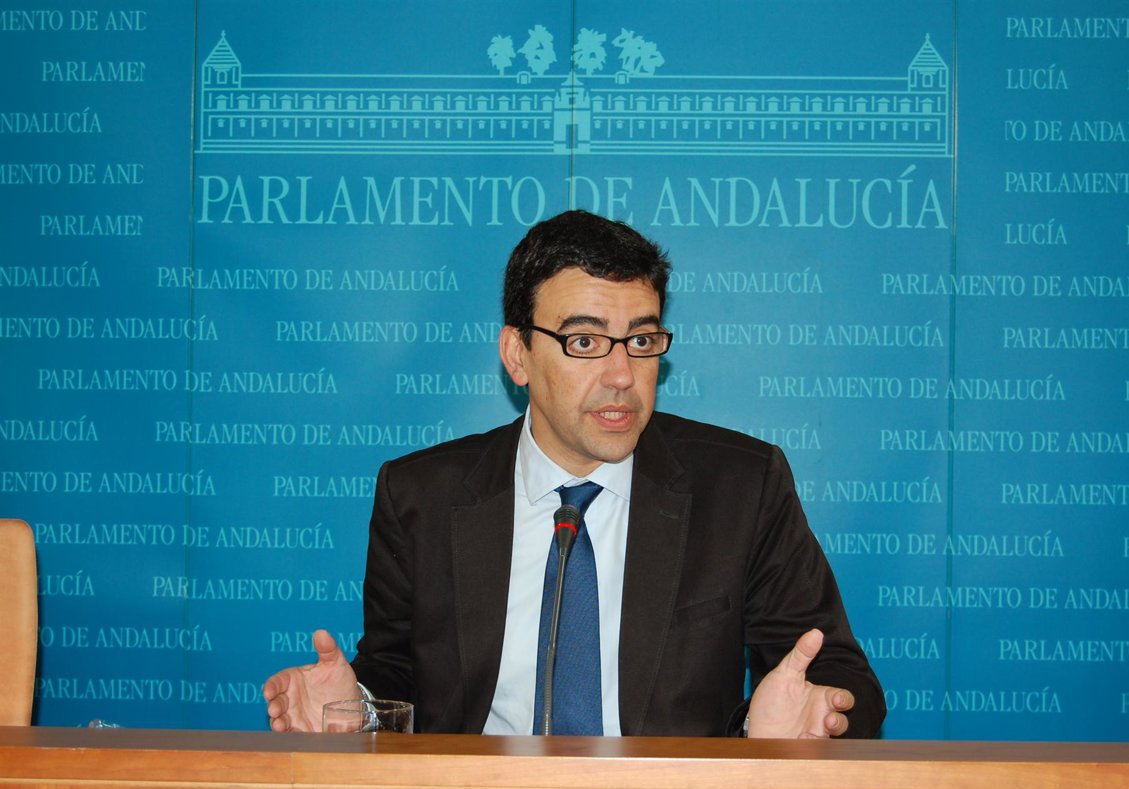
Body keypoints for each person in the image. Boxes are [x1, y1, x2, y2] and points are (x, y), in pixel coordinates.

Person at [263, 210, 885, 738]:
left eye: (641, 341)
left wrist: (787, 727)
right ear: (518, 356)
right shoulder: (419, 496)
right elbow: (399, 672)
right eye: (585, 342)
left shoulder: (741, 488)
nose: (622, 375)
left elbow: (838, 676)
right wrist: (359, 710)